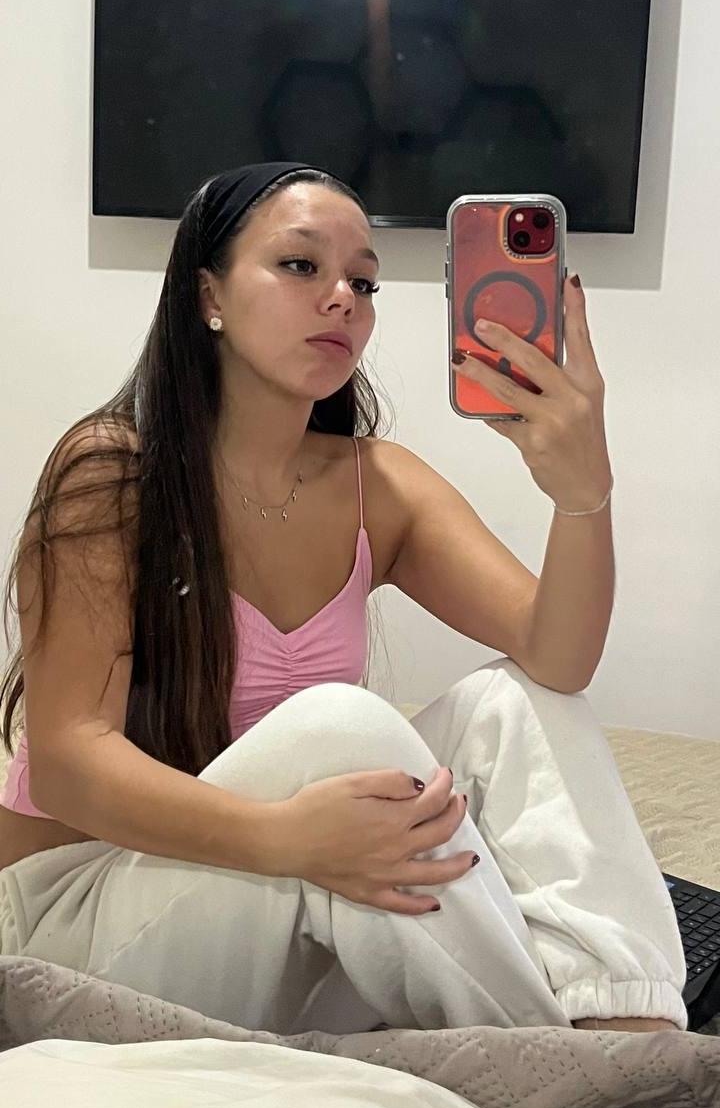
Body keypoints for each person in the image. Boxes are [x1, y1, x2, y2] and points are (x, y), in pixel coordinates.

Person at [0, 163, 685, 1036]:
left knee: (517, 705)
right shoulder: (111, 472)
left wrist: (584, 491)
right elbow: (68, 762)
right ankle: (566, 1066)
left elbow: (561, 658)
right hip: (82, 933)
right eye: (300, 266)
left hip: (280, 904)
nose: (342, 300)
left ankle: (631, 1031)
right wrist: (289, 837)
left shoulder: (377, 485)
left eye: (363, 282)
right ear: (208, 295)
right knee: (341, 729)